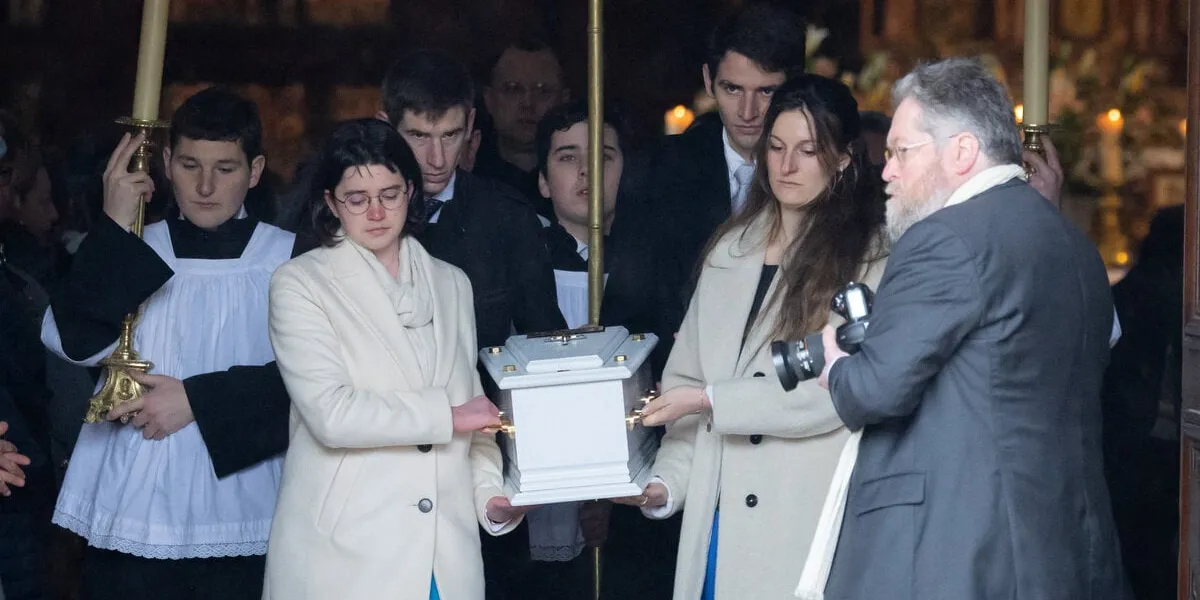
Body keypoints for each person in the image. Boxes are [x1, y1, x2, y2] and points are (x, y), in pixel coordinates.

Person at [816, 57, 1129, 600]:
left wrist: (835, 364)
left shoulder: (945, 239)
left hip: (963, 556)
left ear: (961, 151)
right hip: (1067, 550)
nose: (887, 170)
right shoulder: (1075, 244)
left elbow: (874, 390)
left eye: (901, 151)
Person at [614, 75, 889, 600]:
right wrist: (664, 485)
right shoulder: (731, 249)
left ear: (844, 158)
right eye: (777, 148)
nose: (786, 167)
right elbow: (686, 386)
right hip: (716, 522)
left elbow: (832, 390)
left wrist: (710, 399)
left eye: (808, 151)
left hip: (798, 520)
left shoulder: (868, 259)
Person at [41, 87, 298, 600]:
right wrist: (114, 224)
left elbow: (315, 384)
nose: (205, 186)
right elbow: (73, 342)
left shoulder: (290, 259)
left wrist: (196, 400)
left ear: (256, 169)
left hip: (248, 502)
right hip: (137, 504)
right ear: (163, 163)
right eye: (188, 165)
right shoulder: (136, 246)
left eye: (225, 168)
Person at [263, 118, 525, 599]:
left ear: (411, 191)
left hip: (445, 557)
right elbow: (332, 415)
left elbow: (476, 420)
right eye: (357, 199)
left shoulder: (452, 283)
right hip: (345, 556)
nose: (377, 211)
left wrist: (492, 499)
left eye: (389, 194)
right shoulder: (299, 284)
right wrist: (446, 417)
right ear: (330, 203)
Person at [625, 2, 807, 349]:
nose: (748, 112)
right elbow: (630, 302)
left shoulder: (819, 170)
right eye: (733, 89)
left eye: (766, 91)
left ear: (793, 87)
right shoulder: (660, 171)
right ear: (709, 81)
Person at [376, 49, 564, 354]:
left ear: (471, 122)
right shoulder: (352, 215)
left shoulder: (507, 217)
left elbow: (545, 342)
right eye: (419, 137)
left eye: (450, 135)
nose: (436, 159)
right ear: (385, 128)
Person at [477, 38, 571, 217]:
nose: (528, 103)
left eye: (543, 91)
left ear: (563, 100)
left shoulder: (581, 180)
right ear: (489, 99)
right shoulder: (469, 176)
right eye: (513, 89)